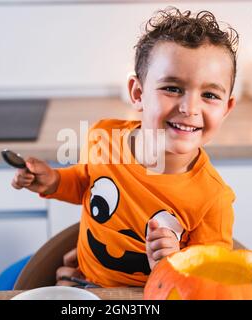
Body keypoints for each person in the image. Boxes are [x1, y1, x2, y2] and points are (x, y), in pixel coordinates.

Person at [12, 7, 239, 287]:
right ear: (138, 93)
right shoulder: (104, 137)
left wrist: (173, 262)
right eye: (172, 88)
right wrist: (54, 180)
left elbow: (210, 283)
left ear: (226, 108)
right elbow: (86, 182)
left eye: (209, 95)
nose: (189, 108)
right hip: (83, 280)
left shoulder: (213, 200)